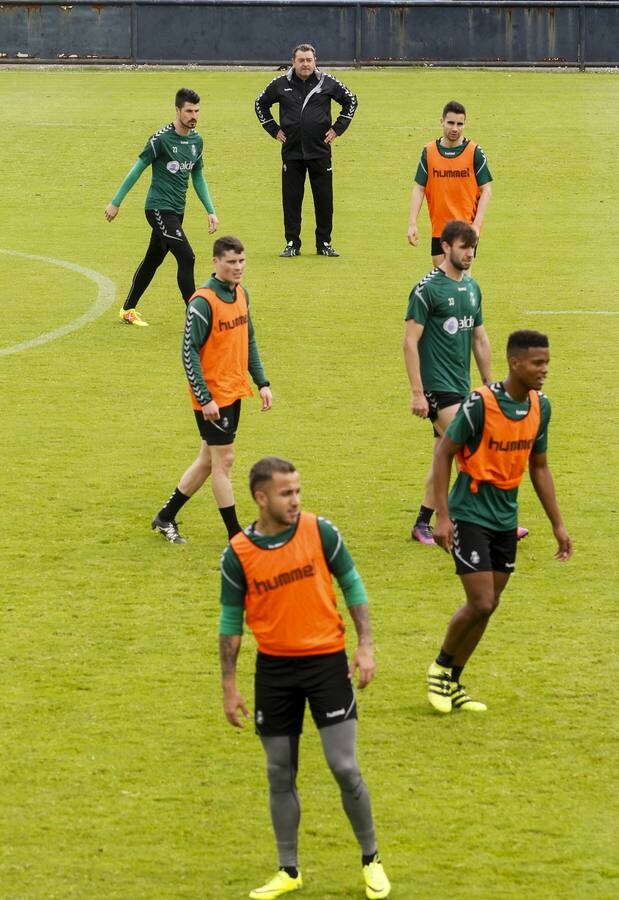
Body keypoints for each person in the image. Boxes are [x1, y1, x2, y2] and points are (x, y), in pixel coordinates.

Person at [219, 457, 391, 900]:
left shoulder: (321, 531)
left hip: (327, 664)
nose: (295, 500)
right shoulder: (238, 553)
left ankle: (371, 859)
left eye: (297, 491)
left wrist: (366, 644)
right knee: (279, 771)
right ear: (261, 498)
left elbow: (353, 586)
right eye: (285, 493)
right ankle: (288, 869)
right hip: (274, 672)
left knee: (344, 766)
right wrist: (229, 685)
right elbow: (230, 624)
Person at [427, 330, 573, 714]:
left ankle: (453, 681)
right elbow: (444, 454)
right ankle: (440, 669)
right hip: (469, 512)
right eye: (537, 363)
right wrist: (442, 516)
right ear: (515, 363)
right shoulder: (481, 403)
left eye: (547, 363)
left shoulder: (541, 407)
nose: (544, 370)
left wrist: (557, 524)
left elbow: (539, 467)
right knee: (481, 600)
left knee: (489, 607)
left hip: (505, 517)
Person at [151, 236, 272, 544]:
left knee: (208, 459)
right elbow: (188, 352)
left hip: (234, 391)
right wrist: (205, 399)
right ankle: (235, 536)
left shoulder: (241, 294)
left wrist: (262, 382)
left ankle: (165, 518)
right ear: (215, 262)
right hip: (213, 396)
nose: (238, 267)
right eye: (231, 262)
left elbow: (250, 339)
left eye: (242, 261)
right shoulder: (202, 302)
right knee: (224, 460)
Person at [403, 220, 492, 545]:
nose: (469, 254)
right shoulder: (427, 289)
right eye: (463, 247)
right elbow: (410, 342)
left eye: (473, 248)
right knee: (472, 448)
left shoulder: (472, 288)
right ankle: (487, 524)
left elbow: (479, 340)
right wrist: (417, 393)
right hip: (437, 388)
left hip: (462, 386)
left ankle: (422, 524)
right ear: (445, 247)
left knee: (443, 454)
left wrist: (489, 385)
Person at [105, 87, 219, 326]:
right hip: (157, 209)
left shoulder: (197, 141)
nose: (193, 115)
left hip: (177, 211)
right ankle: (196, 318)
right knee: (187, 257)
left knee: (153, 259)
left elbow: (197, 176)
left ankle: (127, 309)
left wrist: (210, 210)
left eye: (197, 110)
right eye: (189, 111)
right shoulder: (161, 139)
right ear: (177, 110)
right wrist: (115, 203)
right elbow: (137, 169)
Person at [255, 43, 357, 258]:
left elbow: (351, 101)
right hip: (291, 153)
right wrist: (274, 130)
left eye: (309, 60)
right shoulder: (280, 84)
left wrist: (337, 129)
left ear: (315, 61)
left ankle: (324, 243)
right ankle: (292, 243)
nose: (305, 64)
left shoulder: (326, 82)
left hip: (320, 151)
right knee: (291, 200)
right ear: (293, 62)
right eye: (301, 60)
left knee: (324, 200)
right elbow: (260, 104)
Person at [407, 100, 492, 267]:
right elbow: (419, 188)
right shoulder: (429, 152)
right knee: (442, 284)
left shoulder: (475, 152)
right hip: (439, 230)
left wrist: (476, 226)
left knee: (461, 282)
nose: (455, 128)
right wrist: (412, 223)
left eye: (460, 124)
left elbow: (486, 190)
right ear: (441, 122)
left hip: (465, 230)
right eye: (451, 123)